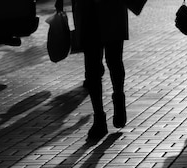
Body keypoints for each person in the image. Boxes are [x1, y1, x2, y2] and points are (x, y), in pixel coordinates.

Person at [55, 0, 130, 140]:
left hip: (101, 8)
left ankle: (108, 111)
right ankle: (105, 113)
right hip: (98, 9)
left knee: (104, 63)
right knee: (101, 64)